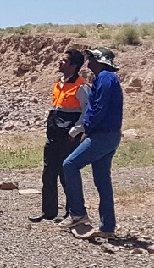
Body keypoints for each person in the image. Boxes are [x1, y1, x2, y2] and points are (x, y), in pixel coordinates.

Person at [61, 47, 124, 239]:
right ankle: (107, 227)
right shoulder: (109, 78)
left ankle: (78, 213)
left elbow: (97, 108)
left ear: (100, 60)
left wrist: (87, 129)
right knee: (103, 181)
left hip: (101, 135)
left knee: (70, 164)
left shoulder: (104, 78)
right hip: (111, 135)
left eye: (92, 60)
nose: (88, 64)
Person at [30, 49, 90, 223]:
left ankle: (72, 212)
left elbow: (87, 113)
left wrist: (74, 132)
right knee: (48, 174)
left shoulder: (81, 87)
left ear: (73, 66)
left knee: (66, 174)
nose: (59, 62)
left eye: (64, 61)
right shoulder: (59, 84)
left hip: (68, 139)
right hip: (53, 136)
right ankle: (48, 212)